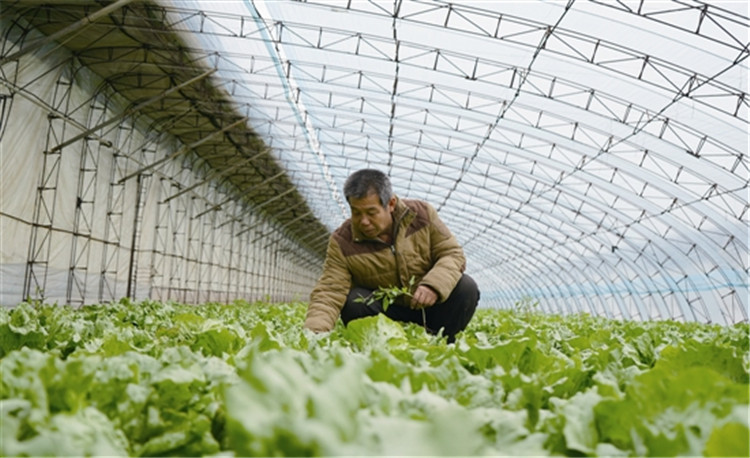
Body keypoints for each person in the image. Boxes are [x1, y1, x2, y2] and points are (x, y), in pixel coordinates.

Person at [304, 168, 479, 342]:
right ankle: (379, 345)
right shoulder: (343, 241)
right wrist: (315, 336)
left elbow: (452, 253)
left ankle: (442, 343)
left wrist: (433, 286)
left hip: (429, 306)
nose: (363, 221)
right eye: (356, 212)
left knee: (466, 287)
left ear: (391, 204)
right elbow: (330, 290)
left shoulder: (422, 215)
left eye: (371, 213)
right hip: (386, 313)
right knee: (355, 301)